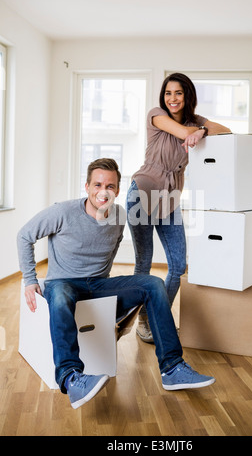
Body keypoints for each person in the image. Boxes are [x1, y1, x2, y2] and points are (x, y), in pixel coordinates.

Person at [17, 158, 216, 409]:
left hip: (99, 285)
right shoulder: (62, 212)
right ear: (87, 186)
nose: (103, 191)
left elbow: (110, 250)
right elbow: (24, 235)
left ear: (118, 190)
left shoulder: (120, 215)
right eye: (98, 184)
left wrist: (110, 294)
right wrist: (30, 279)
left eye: (110, 186)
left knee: (153, 284)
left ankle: (172, 368)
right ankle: (71, 378)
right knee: (58, 296)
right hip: (64, 282)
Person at [127, 73, 231, 343]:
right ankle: (142, 321)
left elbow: (226, 131)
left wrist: (202, 131)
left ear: (187, 96)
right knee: (144, 263)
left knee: (178, 265)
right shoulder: (156, 115)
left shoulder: (196, 122)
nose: (172, 99)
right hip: (143, 192)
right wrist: (194, 132)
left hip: (170, 198)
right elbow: (184, 134)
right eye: (168, 93)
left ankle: (155, 316)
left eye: (178, 93)